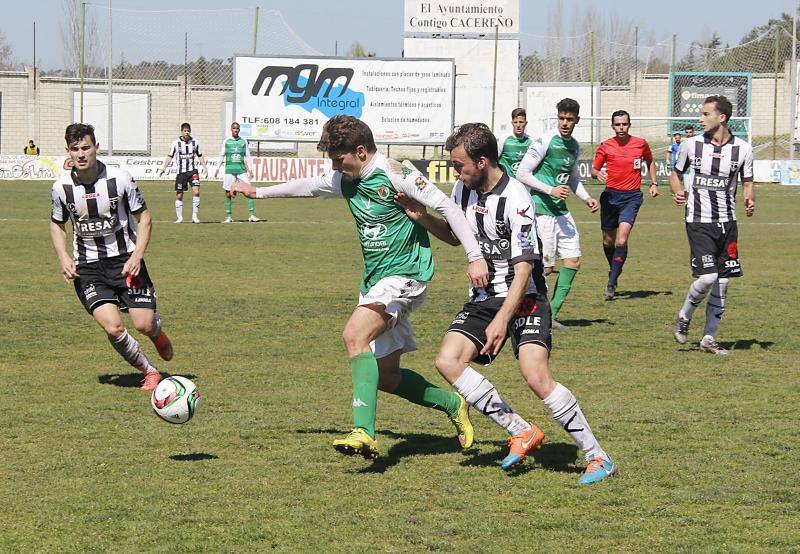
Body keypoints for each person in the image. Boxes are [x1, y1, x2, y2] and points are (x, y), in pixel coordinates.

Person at [231, 115, 490, 459]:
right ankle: (451, 403)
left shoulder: (396, 173)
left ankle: (364, 432)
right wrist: (258, 192)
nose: (334, 166)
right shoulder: (345, 178)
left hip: (406, 274)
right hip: (376, 281)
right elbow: (307, 186)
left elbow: (446, 207)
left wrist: (475, 256)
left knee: (354, 336)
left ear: (362, 151)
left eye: (338, 159)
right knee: (385, 376)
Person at [397, 123, 615, 484]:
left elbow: (526, 268)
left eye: (459, 165)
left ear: (482, 162)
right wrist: (422, 218)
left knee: (536, 376)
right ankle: (520, 429)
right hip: (484, 298)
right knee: (447, 361)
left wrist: (502, 320)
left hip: (524, 295)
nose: (455, 172)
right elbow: (455, 236)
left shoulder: (516, 198)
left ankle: (597, 456)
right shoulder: (463, 190)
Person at [49, 123, 173, 391]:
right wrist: (63, 257)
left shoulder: (120, 178)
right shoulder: (61, 188)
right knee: (114, 327)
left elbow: (144, 218)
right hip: (88, 267)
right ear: (67, 151)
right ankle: (150, 372)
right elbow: (57, 224)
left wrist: (137, 256)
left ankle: (156, 331)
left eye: (85, 147)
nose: (81, 154)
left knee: (143, 323)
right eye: (75, 149)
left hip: (125, 260)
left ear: (96, 147)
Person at [670, 95, 755, 355]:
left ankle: (709, 338)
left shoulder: (743, 149)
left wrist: (749, 199)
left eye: (706, 114)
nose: (700, 118)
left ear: (722, 118)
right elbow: (676, 174)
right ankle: (684, 316)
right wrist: (678, 191)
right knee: (708, 276)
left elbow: (748, 182)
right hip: (698, 220)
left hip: (728, 222)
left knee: (724, 282)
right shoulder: (690, 145)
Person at [516, 98, 599, 327]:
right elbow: (522, 173)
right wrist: (550, 189)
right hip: (542, 211)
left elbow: (572, 178)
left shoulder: (574, 146)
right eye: (562, 118)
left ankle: (550, 314)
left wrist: (586, 198)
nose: (565, 123)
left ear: (577, 121)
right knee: (546, 267)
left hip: (561, 212)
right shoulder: (545, 141)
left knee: (573, 260)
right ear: (557, 117)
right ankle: (525, 310)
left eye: (569, 119)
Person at [591, 110, 659, 300]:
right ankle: (614, 269)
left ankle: (611, 283)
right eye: (618, 124)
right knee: (608, 241)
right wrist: (598, 174)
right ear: (612, 126)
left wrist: (653, 183)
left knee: (621, 240)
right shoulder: (605, 146)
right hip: (610, 197)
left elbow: (650, 161)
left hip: (632, 197)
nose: (621, 128)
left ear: (629, 125)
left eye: (624, 124)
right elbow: (594, 170)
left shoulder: (640, 143)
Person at [157, 122, 209, 224]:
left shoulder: (195, 142)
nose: (186, 133)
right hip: (181, 173)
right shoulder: (176, 143)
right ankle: (180, 218)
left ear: (190, 131)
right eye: (185, 131)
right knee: (179, 195)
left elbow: (200, 155)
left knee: (196, 192)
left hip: (193, 171)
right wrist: (164, 168)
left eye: (188, 131)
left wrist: (205, 167)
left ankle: (195, 217)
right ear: (182, 131)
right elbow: (170, 156)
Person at [214, 122, 260, 223]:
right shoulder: (227, 141)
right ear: (231, 129)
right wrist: (217, 168)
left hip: (241, 170)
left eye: (237, 128)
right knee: (227, 192)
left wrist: (250, 170)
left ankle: (251, 215)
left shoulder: (243, 141)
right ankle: (228, 216)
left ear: (239, 130)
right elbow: (222, 155)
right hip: (229, 171)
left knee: (249, 190)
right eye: (234, 128)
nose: (236, 130)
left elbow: (247, 156)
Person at [496, 108, 531, 178]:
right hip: (505, 182)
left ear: (526, 123)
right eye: (515, 122)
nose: (518, 125)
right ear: (512, 123)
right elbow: (493, 161)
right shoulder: (503, 139)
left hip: (522, 184)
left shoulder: (531, 141)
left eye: (521, 122)